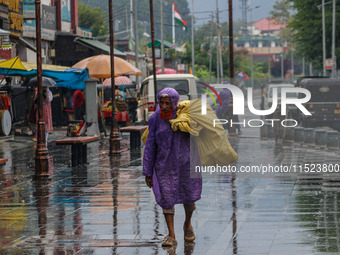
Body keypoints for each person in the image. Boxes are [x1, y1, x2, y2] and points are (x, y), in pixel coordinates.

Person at [143, 88, 202, 247]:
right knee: (166, 197)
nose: (164, 106)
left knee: (189, 196)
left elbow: (200, 135)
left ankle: (187, 224)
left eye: (167, 103)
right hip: (164, 165)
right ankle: (171, 235)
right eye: (161, 103)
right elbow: (150, 145)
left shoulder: (185, 117)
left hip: (187, 163)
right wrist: (147, 171)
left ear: (174, 103)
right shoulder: (155, 119)